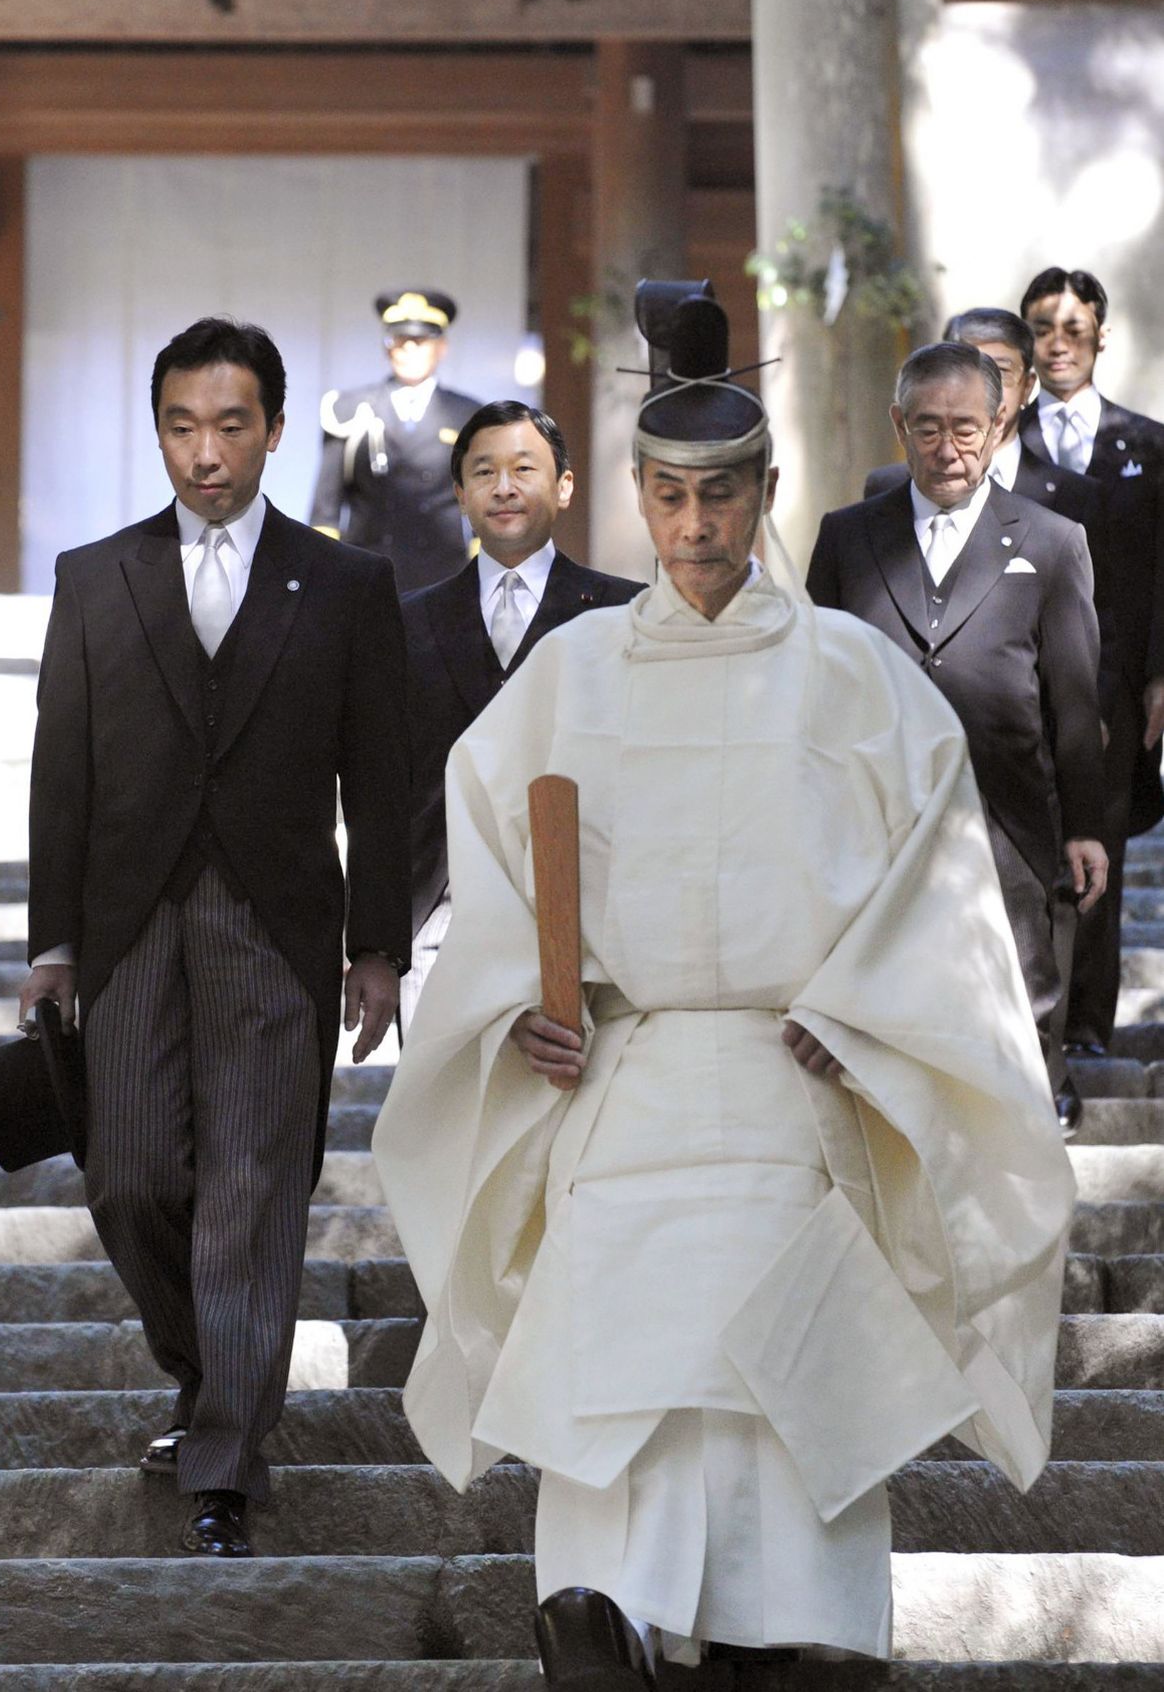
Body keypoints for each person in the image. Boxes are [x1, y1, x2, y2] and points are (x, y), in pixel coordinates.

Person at [374, 293, 1073, 1682]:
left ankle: (795, 1639)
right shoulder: (568, 675)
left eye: (722, 495)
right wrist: (524, 1004)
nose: (695, 526)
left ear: (766, 491)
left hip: (791, 1092)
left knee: (782, 1404)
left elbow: (937, 873)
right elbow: (491, 865)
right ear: (637, 494)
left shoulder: (855, 676)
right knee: (616, 1394)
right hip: (621, 1089)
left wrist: (865, 1006)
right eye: (670, 495)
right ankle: (603, 1621)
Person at [19, 317, 410, 1560]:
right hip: (128, 920)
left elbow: (381, 779)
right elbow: (61, 773)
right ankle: (205, 1374)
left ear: (276, 431)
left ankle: (227, 1457)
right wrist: (52, 942)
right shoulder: (96, 577)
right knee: (131, 1177)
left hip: (276, 921)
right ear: (158, 434)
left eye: (231, 425)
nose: (206, 452)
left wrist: (378, 943)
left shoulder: (346, 585)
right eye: (182, 426)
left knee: (250, 1187)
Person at [808, 340, 1108, 1133]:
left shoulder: (1051, 541)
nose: (948, 448)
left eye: (966, 428)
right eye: (929, 428)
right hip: (877, 816)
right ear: (899, 425)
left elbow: (1075, 700)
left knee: (1020, 999)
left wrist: (1084, 826)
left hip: (1008, 814)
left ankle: (1029, 1132)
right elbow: (816, 685)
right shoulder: (848, 537)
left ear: (1000, 423)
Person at [400, 399, 643, 1029]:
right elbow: (383, 784)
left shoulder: (623, 614)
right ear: (460, 494)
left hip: (584, 910)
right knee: (442, 1088)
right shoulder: (405, 622)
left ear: (564, 486)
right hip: (439, 913)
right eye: (483, 472)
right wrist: (372, 938)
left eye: (524, 469)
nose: (503, 487)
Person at [1017, 266, 1164, 1057]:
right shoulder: (1000, 443)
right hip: (1020, 677)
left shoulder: (1150, 445)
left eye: (1073, 329)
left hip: (1115, 684)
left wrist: (1159, 676)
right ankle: (1029, 1022)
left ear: (1101, 336)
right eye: (1042, 329)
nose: (1057, 344)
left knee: (1101, 847)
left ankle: (1087, 1032)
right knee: (1028, 850)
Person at [866, 306, 1117, 720]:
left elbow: (1095, 630)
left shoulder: (1064, 515)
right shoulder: (870, 509)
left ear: (1025, 387)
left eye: (997, 370)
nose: (948, 452)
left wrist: (1102, 712)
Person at [309, 288, 482, 591]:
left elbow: (483, 499)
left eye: (421, 340)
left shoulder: (468, 415)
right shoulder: (348, 410)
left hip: (444, 577)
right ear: (386, 347)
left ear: (442, 347)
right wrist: (324, 576)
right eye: (400, 339)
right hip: (366, 574)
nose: (409, 349)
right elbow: (326, 506)